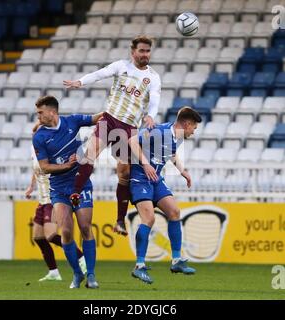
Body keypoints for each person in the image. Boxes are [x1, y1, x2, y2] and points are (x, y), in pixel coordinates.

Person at [63, 35, 161, 236]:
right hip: (110, 118)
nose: (145, 54)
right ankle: (75, 193)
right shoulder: (121, 66)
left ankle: (119, 220)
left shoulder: (153, 77)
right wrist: (80, 82)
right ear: (133, 52)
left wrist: (151, 116)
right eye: (141, 51)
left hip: (129, 127)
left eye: (147, 51)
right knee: (91, 153)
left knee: (124, 172)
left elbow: (155, 99)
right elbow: (100, 74)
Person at [32, 95, 103, 289]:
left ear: (51, 111)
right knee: (65, 232)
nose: (38, 116)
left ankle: (91, 275)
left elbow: (99, 117)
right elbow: (45, 167)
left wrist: (117, 116)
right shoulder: (39, 137)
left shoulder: (73, 121)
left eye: (40, 112)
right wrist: (67, 165)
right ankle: (76, 273)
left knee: (86, 228)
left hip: (80, 184)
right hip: (58, 188)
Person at [128, 106, 202, 284]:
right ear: (186, 123)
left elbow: (171, 152)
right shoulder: (159, 131)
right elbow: (131, 141)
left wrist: (182, 171)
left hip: (156, 180)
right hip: (140, 179)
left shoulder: (177, 137)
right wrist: (145, 164)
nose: (194, 131)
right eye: (194, 127)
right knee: (149, 219)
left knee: (174, 212)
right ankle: (139, 266)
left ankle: (176, 261)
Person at [25, 122, 86, 282]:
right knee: (38, 237)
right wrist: (31, 185)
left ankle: (81, 257)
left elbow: (50, 167)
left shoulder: (50, 148)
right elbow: (36, 169)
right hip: (41, 199)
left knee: (51, 235)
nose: (36, 135)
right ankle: (54, 272)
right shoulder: (35, 149)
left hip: (52, 197)